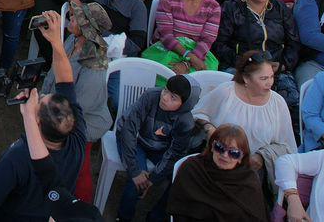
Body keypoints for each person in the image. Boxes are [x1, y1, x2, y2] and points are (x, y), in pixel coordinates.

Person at [0, 12, 94, 220]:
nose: (37, 94)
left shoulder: (19, 157)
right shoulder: (76, 138)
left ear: (37, 122)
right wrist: (55, 41)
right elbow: (65, 80)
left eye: (38, 100)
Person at [194, 51, 299, 174]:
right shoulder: (226, 92)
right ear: (246, 78)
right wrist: (209, 128)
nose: (270, 82)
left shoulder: (278, 103)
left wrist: (262, 156)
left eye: (271, 77)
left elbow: (287, 145)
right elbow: (197, 113)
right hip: (218, 161)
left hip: (253, 171)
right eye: (263, 78)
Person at [115, 74, 199, 222]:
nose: (165, 97)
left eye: (173, 97)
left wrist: (153, 179)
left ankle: (156, 217)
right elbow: (128, 129)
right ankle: (123, 217)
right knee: (136, 183)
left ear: (184, 104)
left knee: (180, 178)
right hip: (136, 141)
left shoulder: (185, 122)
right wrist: (135, 171)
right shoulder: (151, 96)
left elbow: (175, 153)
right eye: (165, 90)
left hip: (161, 149)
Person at [165, 124, 269, 222]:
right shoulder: (193, 169)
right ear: (212, 147)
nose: (225, 155)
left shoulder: (249, 180)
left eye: (233, 153)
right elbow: (178, 210)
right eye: (220, 147)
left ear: (241, 158)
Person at [149, 0, 221, 73]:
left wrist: (186, 63)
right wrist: (188, 56)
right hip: (169, 48)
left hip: (198, 52)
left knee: (204, 75)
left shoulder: (213, 7)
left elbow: (207, 39)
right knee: (164, 72)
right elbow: (166, 35)